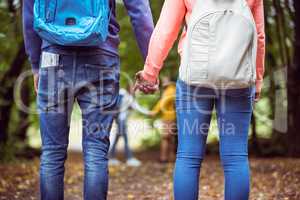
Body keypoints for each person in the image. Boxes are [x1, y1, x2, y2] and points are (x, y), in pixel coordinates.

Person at [23, 0, 154, 199]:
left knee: (51, 153)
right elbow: (139, 9)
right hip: (101, 55)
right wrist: (151, 63)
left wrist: (35, 63)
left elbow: (29, 11)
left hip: (52, 55)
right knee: (96, 150)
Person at [135, 0, 265, 199]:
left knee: (188, 156)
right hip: (239, 79)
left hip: (194, 78)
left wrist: (150, 74)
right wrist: (257, 78)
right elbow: (258, 34)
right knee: (236, 158)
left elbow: (166, 30)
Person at [109, 87, 150, 167]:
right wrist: (149, 113)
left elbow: (137, 107)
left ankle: (111, 157)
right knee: (126, 139)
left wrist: (148, 112)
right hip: (121, 121)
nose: (137, 92)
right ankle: (129, 158)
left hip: (120, 120)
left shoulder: (127, 96)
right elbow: (137, 107)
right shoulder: (126, 95)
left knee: (117, 139)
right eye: (135, 90)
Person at [150, 77, 177, 163]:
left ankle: (164, 158)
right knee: (170, 137)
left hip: (169, 117)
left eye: (165, 80)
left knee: (165, 137)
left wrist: (154, 111)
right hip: (171, 116)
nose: (163, 82)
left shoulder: (170, 90)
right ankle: (171, 158)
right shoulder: (171, 90)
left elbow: (163, 102)